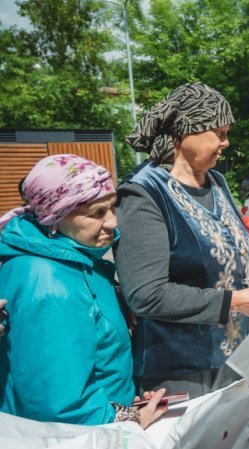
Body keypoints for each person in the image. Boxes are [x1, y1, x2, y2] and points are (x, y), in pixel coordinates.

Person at [115, 82, 249, 398]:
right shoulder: (144, 194)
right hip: (182, 371)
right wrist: (236, 301)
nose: (226, 142)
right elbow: (146, 295)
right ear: (185, 131)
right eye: (219, 133)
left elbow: (238, 247)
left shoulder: (216, 181)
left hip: (239, 353)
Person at [0, 154, 166, 427]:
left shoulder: (74, 259)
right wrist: (129, 417)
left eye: (113, 208)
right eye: (97, 213)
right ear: (54, 217)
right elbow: (58, 403)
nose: (113, 222)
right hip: (83, 439)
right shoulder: (49, 284)